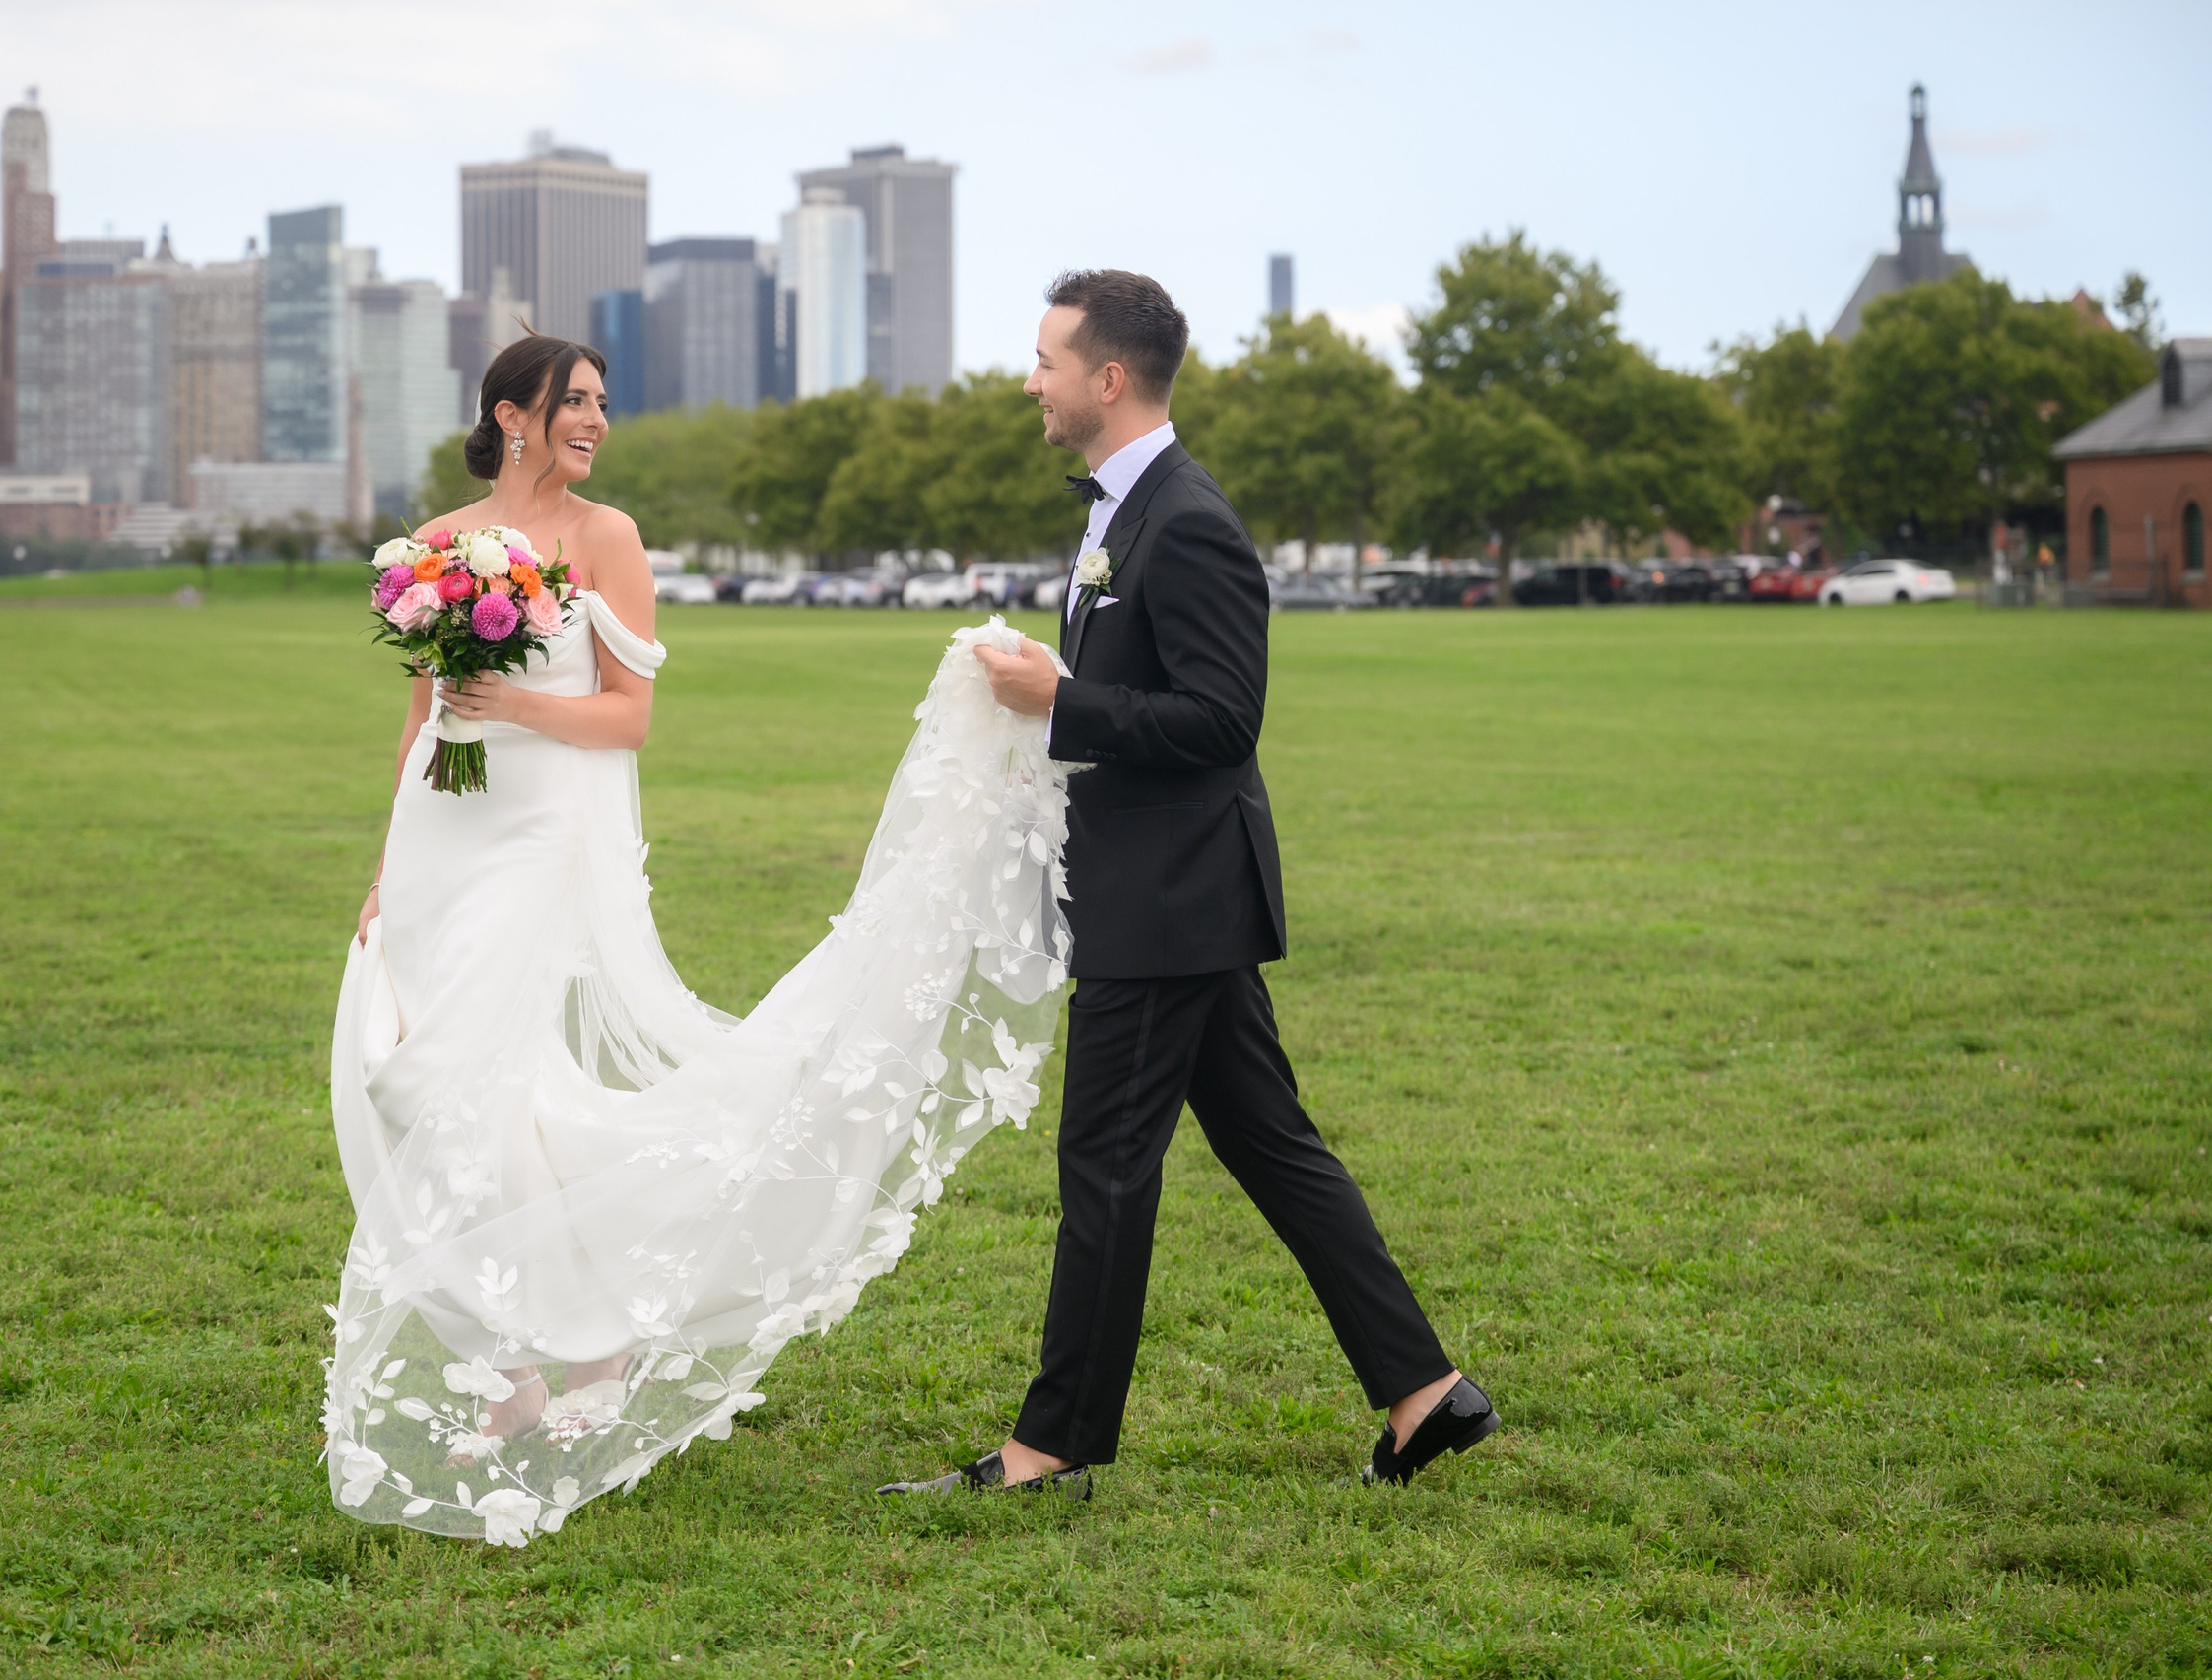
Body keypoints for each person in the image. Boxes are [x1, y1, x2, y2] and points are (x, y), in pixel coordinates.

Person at [325, 335, 1079, 1545]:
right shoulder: (432, 543)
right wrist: (383, 865)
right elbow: (417, 714)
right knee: (406, 1076)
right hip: (440, 836)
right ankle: (514, 1363)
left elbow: (628, 717)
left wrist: (513, 701)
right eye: (574, 404)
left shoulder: (607, 541)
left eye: (602, 405)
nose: (595, 422)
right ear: (510, 414)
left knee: (471, 1075)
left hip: (536, 843)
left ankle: (594, 1353)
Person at [878, 271, 1497, 1499]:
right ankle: (1427, 1393)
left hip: (1166, 901)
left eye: (1047, 358)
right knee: (1273, 1146)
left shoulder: (1188, 516)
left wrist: (1061, 699)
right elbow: (1157, 685)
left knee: (1103, 1165)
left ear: (1107, 378)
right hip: (1173, 892)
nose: (1030, 380)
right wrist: (1066, 678)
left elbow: (1223, 718)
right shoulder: (1123, 508)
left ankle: (1048, 1446)